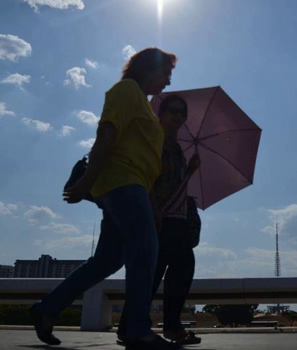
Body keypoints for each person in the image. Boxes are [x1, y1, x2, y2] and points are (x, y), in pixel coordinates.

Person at [30, 47, 181, 350]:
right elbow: (106, 136)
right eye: (165, 73)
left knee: (108, 260)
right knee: (144, 250)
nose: (167, 82)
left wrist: (152, 204)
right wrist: (86, 181)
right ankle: (138, 330)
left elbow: (143, 161)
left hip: (133, 185)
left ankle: (47, 308)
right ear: (148, 69)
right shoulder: (125, 90)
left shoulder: (143, 104)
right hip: (121, 182)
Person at [117, 95, 202, 345]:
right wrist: (152, 209)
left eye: (181, 112)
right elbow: (147, 176)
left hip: (176, 218)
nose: (177, 116)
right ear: (161, 114)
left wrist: (190, 171)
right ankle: (138, 327)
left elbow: (172, 181)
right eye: (172, 111)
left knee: (176, 269)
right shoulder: (156, 141)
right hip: (159, 216)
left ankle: (155, 326)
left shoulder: (176, 148)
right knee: (157, 272)